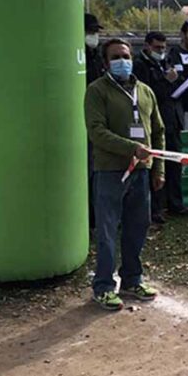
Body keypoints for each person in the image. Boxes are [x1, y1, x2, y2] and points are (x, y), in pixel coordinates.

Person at [84, 38, 164, 310]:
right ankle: (104, 286)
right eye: (116, 57)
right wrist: (132, 147)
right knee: (107, 231)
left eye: (126, 56)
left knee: (137, 228)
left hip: (141, 172)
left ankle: (132, 279)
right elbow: (96, 131)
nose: (123, 61)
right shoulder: (97, 91)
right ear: (106, 63)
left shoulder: (145, 91)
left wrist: (158, 168)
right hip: (110, 172)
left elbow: (158, 131)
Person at [133, 31, 184, 224]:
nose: (161, 51)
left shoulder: (165, 62)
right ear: (147, 46)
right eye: (157, 48)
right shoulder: (140, 65)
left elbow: (175, 89)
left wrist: (176, 80)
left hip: (171, 120)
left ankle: (175, 204)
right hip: (152, 121)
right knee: (153, 166)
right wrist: (166, 81)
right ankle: (154, 209)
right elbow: (147, 94)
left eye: (163, 48)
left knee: (174, 164)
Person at [83, 13, 107, 232]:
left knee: (97, 173)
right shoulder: (79, 57)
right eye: (91, 31)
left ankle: (96, 217)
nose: (94, 36)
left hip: (99, 125)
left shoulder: (97, 56)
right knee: (86, 172)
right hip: (83, 123)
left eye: (96, 32)